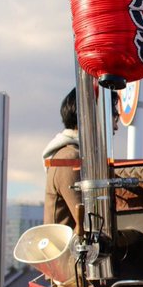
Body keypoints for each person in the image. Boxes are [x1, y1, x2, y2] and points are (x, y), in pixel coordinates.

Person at [43, 89, 81, 228]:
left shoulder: (70, 154)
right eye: (114, 116)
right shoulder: (70, 159)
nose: (115, 126)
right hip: (66, 250)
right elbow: (89, 224)